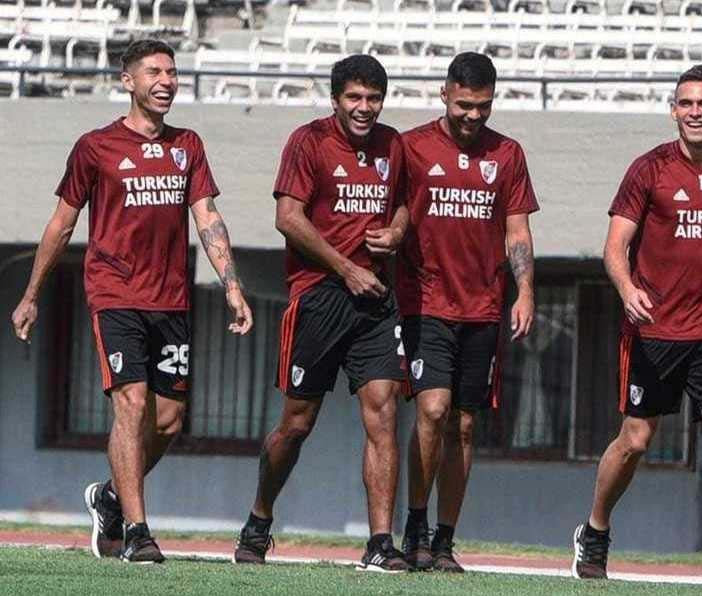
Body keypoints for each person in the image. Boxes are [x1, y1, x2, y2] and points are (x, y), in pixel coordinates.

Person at [10, 39, 253, 564]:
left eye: (172, 72)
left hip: (171, 300)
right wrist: (31, 294)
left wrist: (231, 284)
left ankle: (111, 499)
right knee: (132, 402)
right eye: (154, 73)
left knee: (167, 420)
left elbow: (207, 217)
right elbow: (62, 223)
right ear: (128, 81)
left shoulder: (188, 144)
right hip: (115, 292)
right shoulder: (95, 146)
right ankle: (139, 532)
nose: (166, 81)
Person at [570, 65, 702, 588]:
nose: (696, 112)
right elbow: (616, 247)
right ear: (674, 110)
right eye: (686, 103)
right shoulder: (648, 169)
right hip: (655, 330)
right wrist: (627, 288)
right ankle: (595, 530)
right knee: (636, 438)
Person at [232, 54, 410, 572]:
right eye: (354, 98)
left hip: (375, 299)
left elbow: (403, 202)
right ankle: (260, 517)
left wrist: (397, 232)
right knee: (296, 423)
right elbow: (287, 218)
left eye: (373, 98)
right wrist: (344, 268)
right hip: (319, 297)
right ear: (335, 100)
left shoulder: (393, 145)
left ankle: (380, 542)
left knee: (384, 413)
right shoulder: (307, 141)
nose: (364, 108)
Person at [397, 52, 539, 573]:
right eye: (464, 105)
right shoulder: (411, 147)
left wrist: (525, 291)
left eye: (482, 106)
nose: (473, 116)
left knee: (463, 424)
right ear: (444, 94)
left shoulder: (508, 153)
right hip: (426, 302)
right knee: (432, 409)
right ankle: (414, 521)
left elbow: (518, 230)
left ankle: (444, 540)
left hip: (483, 308)